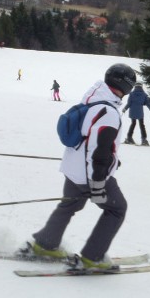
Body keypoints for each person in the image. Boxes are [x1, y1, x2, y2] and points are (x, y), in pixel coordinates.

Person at [21, 63, 136, 271]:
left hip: (73, 170)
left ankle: (46, 245)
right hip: (90, 174)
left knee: (70, 205)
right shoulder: (108, 112)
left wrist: (111, 158)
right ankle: (93, 257)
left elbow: (90, 139)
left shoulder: (92, 100)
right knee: (117, 209)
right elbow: (99, 152)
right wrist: (98, 184)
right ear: (126, 85)